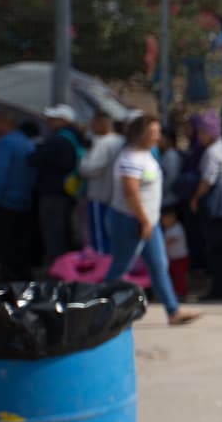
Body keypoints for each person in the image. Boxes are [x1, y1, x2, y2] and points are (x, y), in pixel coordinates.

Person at [104, 115, 201, 326]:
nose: (158, 137)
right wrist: (144, 220)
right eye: (153, 133)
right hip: (131, 220)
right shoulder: (130, 158)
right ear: (141, 134)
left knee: (159, 265)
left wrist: (149, 221)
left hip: (148, 221)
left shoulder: (146, 155)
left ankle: (173, 311)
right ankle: (99, 311)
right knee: (121, 267)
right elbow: (130, 192)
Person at [189, 111, 222, 301]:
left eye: (201, 132)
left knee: (216, 251)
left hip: (215, 207)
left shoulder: (212, 152)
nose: (198, 136)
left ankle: (219, 291)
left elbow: (207, 180)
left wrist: (195, 198)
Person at [29, 103, 86, 266]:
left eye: (53, 118)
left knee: (54, 235)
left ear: (63, 120)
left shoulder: (58, 140)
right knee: (62, 233)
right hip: (66, 192)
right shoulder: (73, 138)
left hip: (54, 194)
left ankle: (58, 272)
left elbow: (34, 159)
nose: (49, 121)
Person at [0, 110, 38, 280]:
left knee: (5, 248)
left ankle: (8, 286)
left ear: (6, 123)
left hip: (6, 203)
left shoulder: (5, 144)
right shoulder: (27, 143)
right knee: (20, 248)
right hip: (25, 202)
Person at [78, 111, 124, 254]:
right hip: (118, 199)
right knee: (114, 235)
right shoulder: (122, 141)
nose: (91, 127)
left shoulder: (102, 143)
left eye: (93, 123)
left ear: (102, 123)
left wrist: (82, 164)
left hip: (100, 197)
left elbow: (90, 168)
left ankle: (102, 268)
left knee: (99, 237)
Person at [161, 205, 191, 300]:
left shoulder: (177, 227)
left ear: (173, 218)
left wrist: (161, 246)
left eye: (165, 219)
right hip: (172, 258)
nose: (163, 222)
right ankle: (174, 293)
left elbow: (171, 240)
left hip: (181, 258)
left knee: (180, 277)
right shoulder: (167, 229)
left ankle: (182, 294)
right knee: (172, 277)